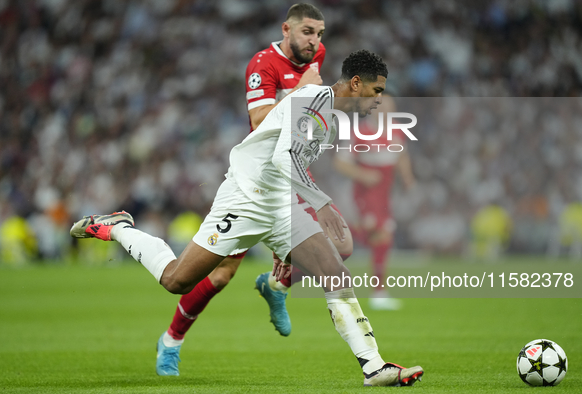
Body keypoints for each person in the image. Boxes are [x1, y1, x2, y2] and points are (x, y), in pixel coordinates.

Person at [70, 49, 423, 387]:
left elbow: (293, 165)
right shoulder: (313, 100)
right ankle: (119, 228)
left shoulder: (332, 121)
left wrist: (308, 211)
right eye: (377, 91)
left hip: (282, 203)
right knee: (177, 280)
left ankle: (373, 367)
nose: (379, 100)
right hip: (244, 198)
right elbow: (284, 159)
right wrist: (323, 203)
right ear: (357, 83)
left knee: (335, 271)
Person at [151, 3, 353, 377]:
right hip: (256, 181)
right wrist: (303, 91)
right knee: (220, 275)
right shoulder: (262, 65)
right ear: (286, 29)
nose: (315, 42)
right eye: (307, 32)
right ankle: (171, 341)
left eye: (320, 34)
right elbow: (260, 120)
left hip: (290, 173)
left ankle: (277, 283)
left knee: (339, 246)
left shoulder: (317, 55)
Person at [333, 96, 415, 310]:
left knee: (377, 237)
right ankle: (379, 293)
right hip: (365, 194)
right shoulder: (358, 132)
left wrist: (407, 178)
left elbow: (402, 154)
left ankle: (330, 238)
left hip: (385, 194)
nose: (387, 111)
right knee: (382, 237)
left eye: (391, 108)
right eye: (383, 107)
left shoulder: (396, 130)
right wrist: (363, 174)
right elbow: (341, 162)